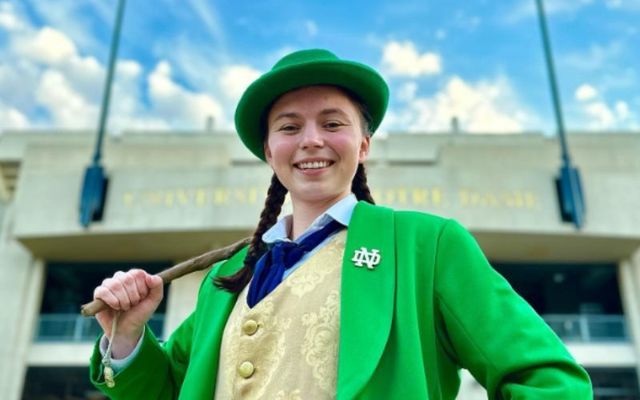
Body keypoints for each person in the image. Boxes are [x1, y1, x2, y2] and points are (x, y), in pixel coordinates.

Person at [89, 49, 593, 399]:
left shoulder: (428, 246)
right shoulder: (230, 277)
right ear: (270, 151)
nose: (310, 140)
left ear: (364, 144)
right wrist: (130, 336)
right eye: (289, 127)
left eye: (332, 124)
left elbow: (548, 378)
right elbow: (171, 390)